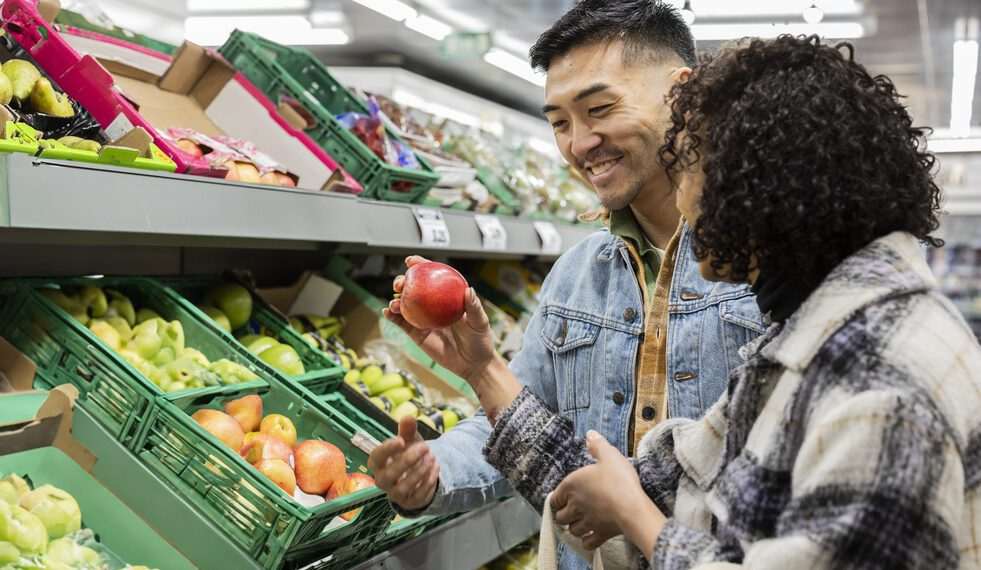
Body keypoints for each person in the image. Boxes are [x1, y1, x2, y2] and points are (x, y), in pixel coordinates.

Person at [453, 35, 981, 568]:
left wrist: (638, 518)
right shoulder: (799, 342)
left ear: (765, 181)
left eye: (687, 166)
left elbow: (637, 509)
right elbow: (644, 492)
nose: (679, 198)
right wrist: (483, 370)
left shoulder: (877, 376)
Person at [368, 3, 764, 568]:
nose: (579, 144)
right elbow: (519, 421)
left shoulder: (760, 267)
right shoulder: (575, 277)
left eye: (599, 109)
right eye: (559, 122)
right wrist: (433, 470)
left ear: (683, 93)